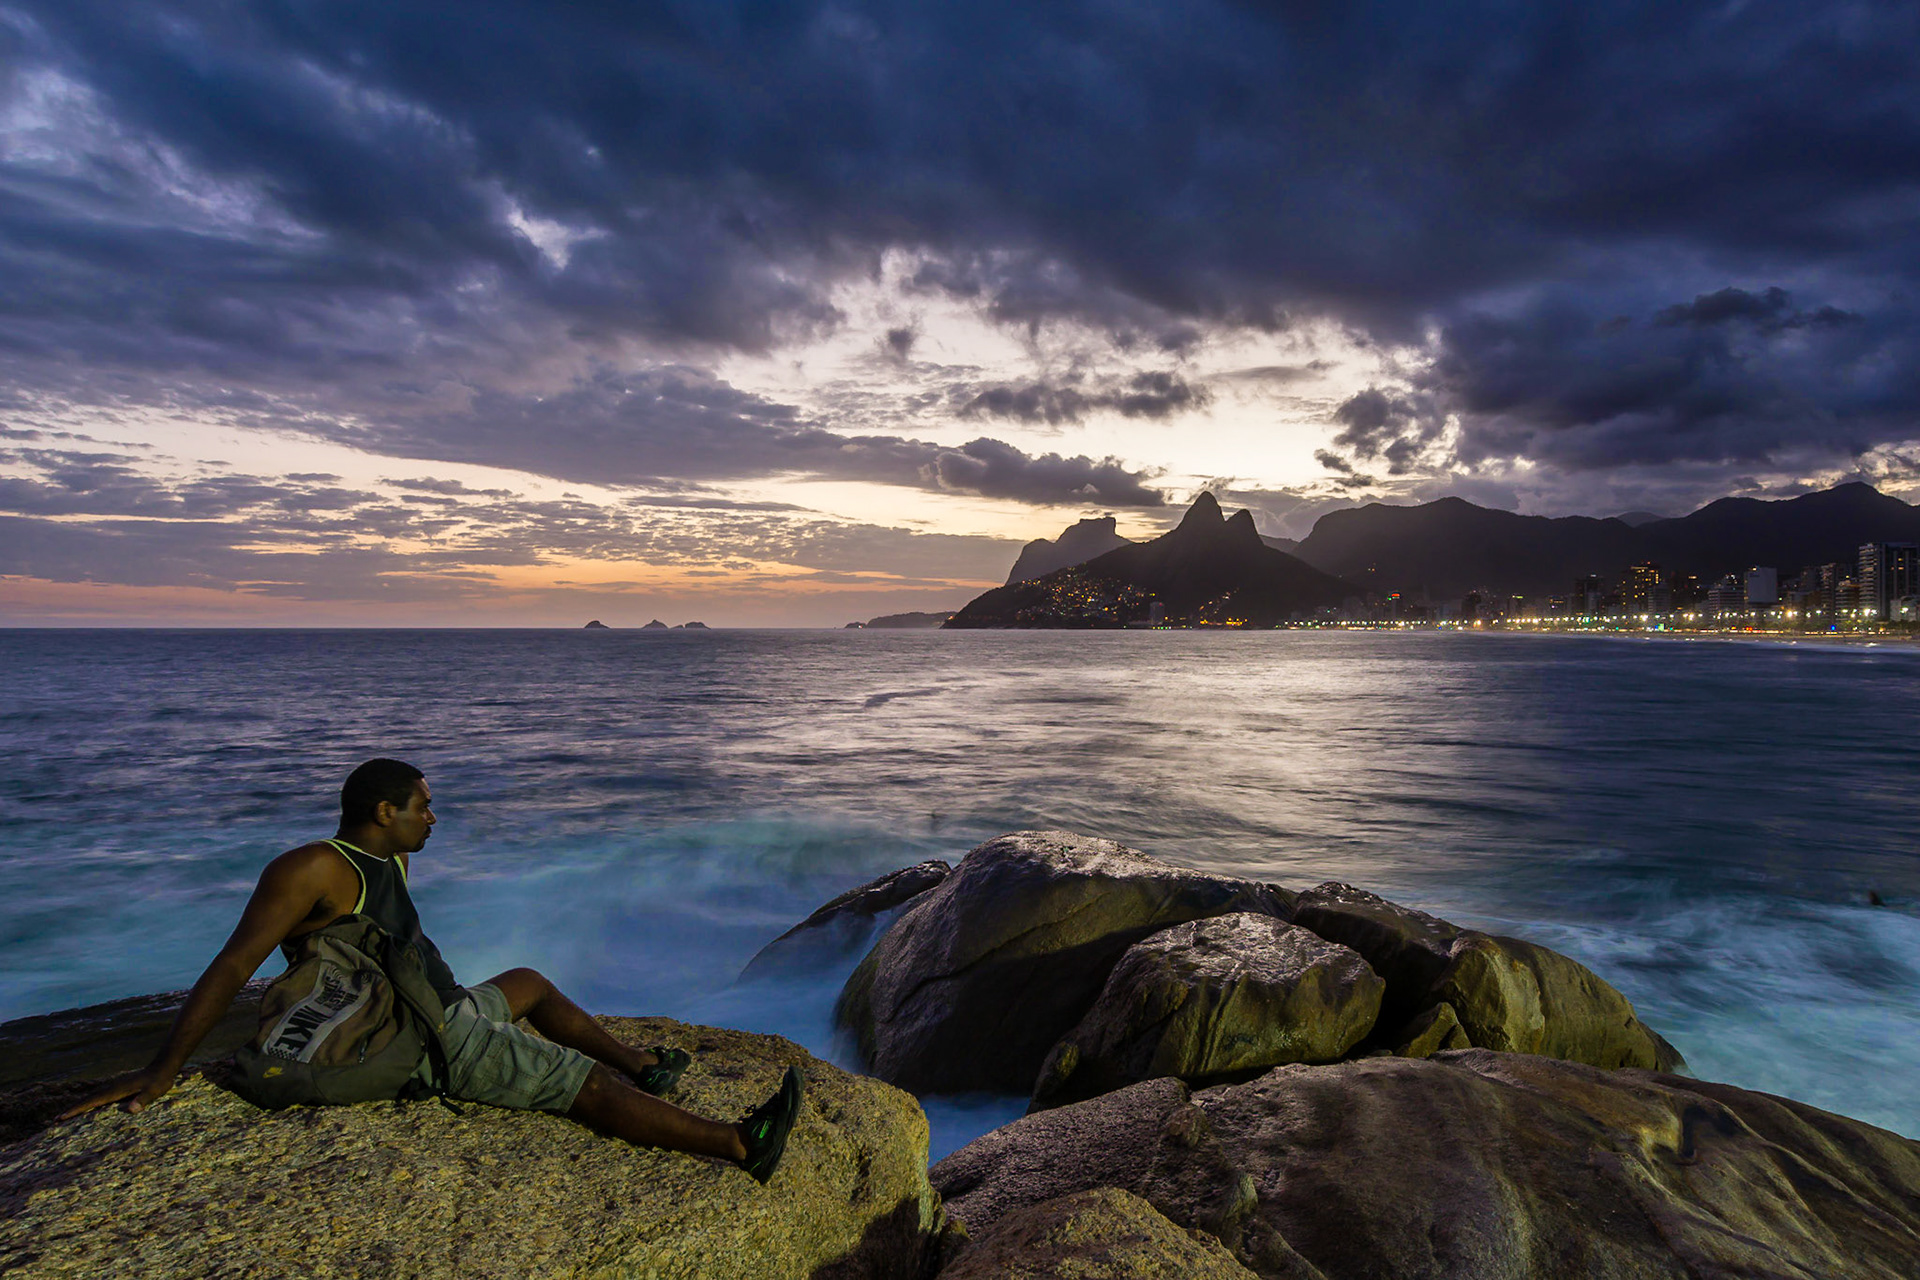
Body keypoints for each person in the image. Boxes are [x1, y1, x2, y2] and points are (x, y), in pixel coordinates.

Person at [62, 758, 803, 1183]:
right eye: (423, 806)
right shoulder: (312, 868)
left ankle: (641, 1063)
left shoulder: (392, 856)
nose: (433, 817)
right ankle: (740, 1145)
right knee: (573, 1083)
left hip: (437, 1004)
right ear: (384, 810)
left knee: (529, 984)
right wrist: (163, 1070)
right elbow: (232, 964)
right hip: (411, 1034)